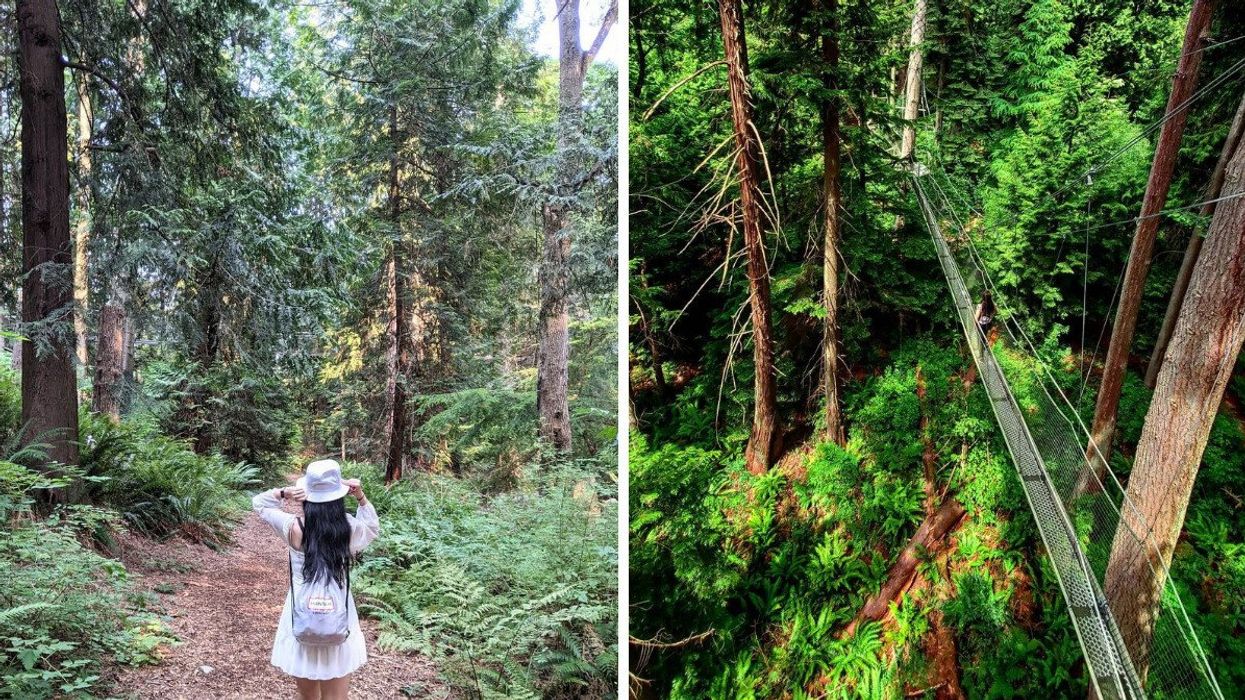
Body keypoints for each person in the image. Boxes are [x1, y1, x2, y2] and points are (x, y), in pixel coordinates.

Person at [252, 459, 380, 700]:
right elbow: (372, 527)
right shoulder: (348, 529)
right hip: (339, 613)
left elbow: (258, 503)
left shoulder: (293, 527)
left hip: (302, 612)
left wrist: (283, 493)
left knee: (307, 697)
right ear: (339, 495)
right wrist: (361, 497)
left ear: (306, 493)